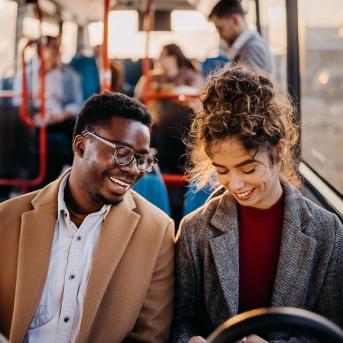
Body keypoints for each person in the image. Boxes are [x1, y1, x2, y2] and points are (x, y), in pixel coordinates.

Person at [171, 64, 343, 343]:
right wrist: (190, 340)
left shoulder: (328, 232)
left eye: (248, 169)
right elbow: (182, 320)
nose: (236, 185)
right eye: (222, 171)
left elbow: (334, 329)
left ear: (279, 151)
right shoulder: (195, 231)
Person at [0, 92, 175, 343]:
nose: (132, 169)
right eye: (122, 152)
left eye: (141, 159)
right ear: (81, 146)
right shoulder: (6, 219)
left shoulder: (157, 232)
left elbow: (150, 336)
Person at [209, 0, 274, 75]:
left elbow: (248, 86)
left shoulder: (253, 48)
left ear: (235, 20)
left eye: (220, 28)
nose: (220, 35)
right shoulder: (243, 47)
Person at [134, 43, 203, 101]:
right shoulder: (151, 77)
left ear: (173, 58)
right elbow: (139, 96)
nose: (159, 59)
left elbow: (198, 96)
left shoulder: (191, 76)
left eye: (163, 55)